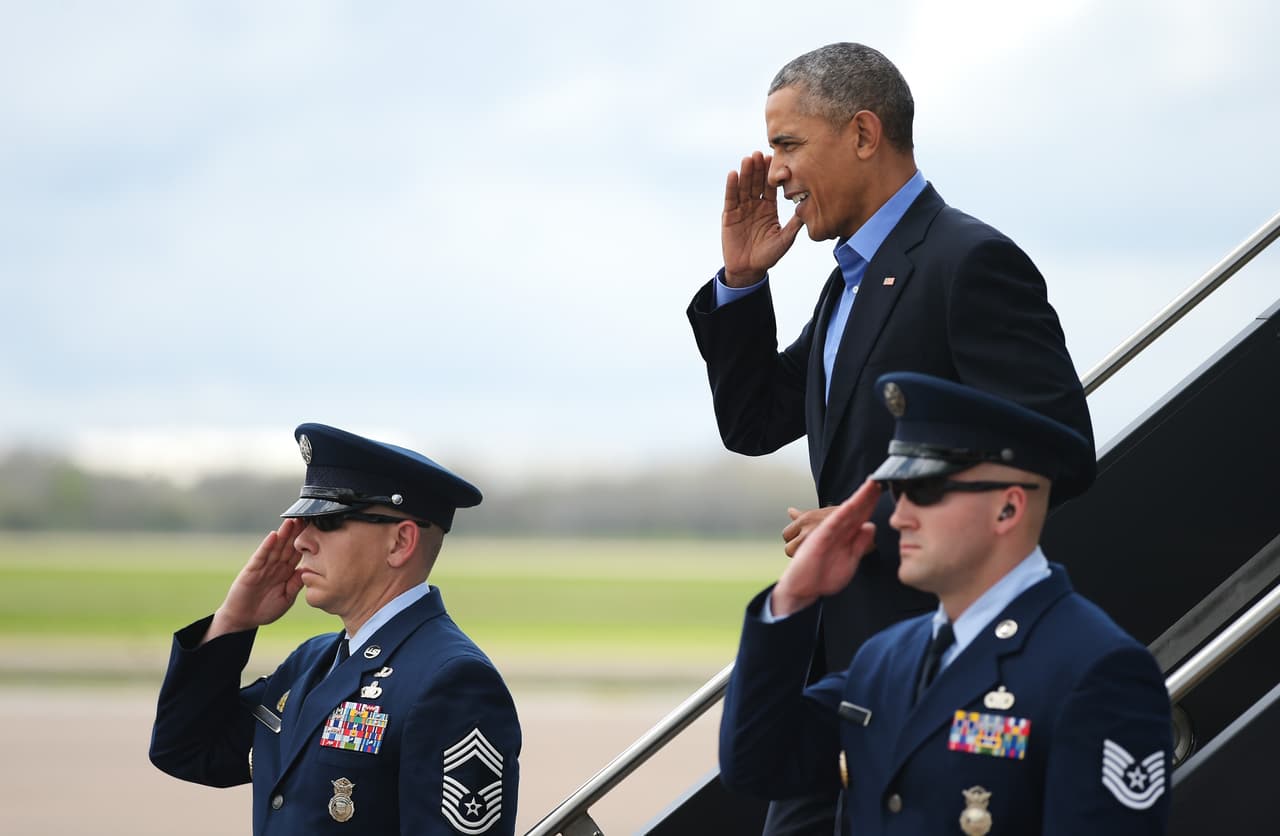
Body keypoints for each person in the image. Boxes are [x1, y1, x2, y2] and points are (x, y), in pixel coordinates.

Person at [687, 43, 1094, 831]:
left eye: (788, 144)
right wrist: (741, 284)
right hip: (841, 677)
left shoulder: (968, 262)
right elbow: (753, 423)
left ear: (865, 134)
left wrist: (871, 525)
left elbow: (1059, 448)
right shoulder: (846, 280)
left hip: (941, 665)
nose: (774, 172)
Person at [719, 372, 1172, 835]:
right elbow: (759, 762)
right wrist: (793, 599)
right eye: (897, 493)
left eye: (926, 492)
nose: (899, 517)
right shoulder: (887, 656)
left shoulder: (1096, 670)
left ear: (1008, 509)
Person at [150, 423, 520, 835]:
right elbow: (184, 748)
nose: (300, 542)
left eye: (327, 523)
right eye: (303, 523)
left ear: (400, 542)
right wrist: (232, 622)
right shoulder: (312, 662)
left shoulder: (451, 680)